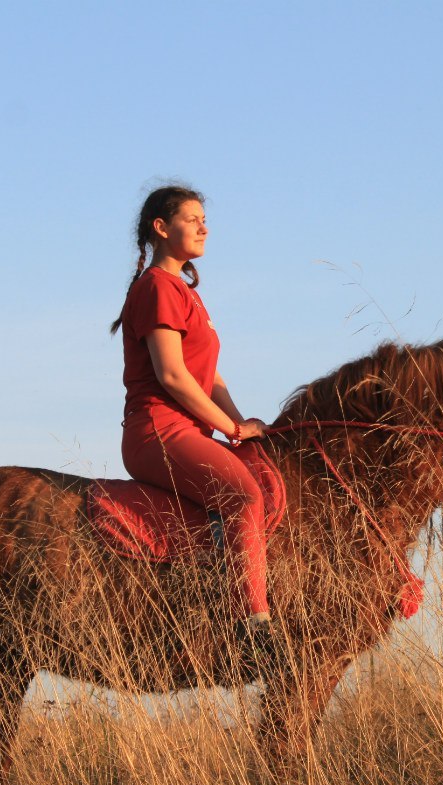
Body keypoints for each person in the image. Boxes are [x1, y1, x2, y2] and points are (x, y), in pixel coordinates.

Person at [109, 185, 274, 663]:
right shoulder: (158, 287)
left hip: (189, 429)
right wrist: (229, 427)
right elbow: (173, 375)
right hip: (158, 428)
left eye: (205, 219)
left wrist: (241, 423)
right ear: (161, 229)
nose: (204, 226)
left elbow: (210, 375)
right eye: (192, 218)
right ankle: (253, 625)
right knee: (244, 496)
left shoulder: (186, 293)